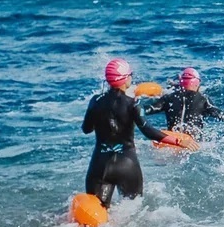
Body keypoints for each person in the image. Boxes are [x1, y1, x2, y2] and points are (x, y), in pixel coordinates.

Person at [82, 59, 194, 208]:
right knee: (132, 214)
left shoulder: (95, 101)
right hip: (127, 165)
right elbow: (148, 131)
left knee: (96, 218)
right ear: (125, 78)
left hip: (100, 165)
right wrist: (179, 142)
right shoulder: (133, 103)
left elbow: (86, 129)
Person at [144, 68, 224, 137]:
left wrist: (128, 109)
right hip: (192, 142)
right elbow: (219, 114)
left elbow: (148, 110)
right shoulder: (203, 99)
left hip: (172, 140)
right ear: (197, 83)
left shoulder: (168, 98)